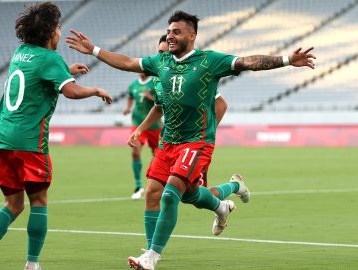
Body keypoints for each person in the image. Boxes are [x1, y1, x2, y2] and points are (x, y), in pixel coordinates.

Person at [66, 10, 315, 270]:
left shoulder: (209, 61)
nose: (171, 36)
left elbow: (248, 61)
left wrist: (287, 59)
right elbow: (127, 62)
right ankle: (223, 204)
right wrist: (94, 49)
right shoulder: (161, 63)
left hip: (196, 143)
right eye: (169, 31)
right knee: (168, 194)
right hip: (168, 143)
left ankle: (151, 256)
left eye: (177, 32)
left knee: (171, 194)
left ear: (192, 36)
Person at [0, 3, 112, 270]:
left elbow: (36, 76)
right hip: (28, 141)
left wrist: (66, 72)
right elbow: (71, 92)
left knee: (13, 203)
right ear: (49, 33)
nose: (59, 31)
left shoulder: (20, 53)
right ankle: (32, 265)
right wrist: (95, 90)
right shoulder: (51, 59)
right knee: (39, 202)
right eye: (57, 27)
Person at [140, 34, 250, 253]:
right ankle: (150, 249)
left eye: (166, 51)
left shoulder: (193, 74)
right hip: (169, 144)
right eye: (160, 53)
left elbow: (221, 104)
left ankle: (233, 190)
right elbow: (159, 108)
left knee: (193, 194)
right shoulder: (159, 78)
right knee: (153, 192)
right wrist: (140, 129)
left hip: (193, 145)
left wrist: (203, 134)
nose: (164, 56)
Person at [123, 73, 162, 199]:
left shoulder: (155, 83)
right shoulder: (133, 85)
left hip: (155, 125)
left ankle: (155, 183)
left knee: (157, 155)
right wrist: (128, 108)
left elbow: (161, 102)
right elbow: (130, 97)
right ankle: (138, 186)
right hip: (138, 124)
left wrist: (150, 97)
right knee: (135, 151)